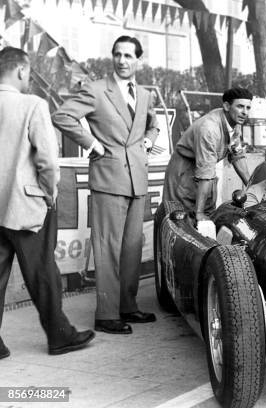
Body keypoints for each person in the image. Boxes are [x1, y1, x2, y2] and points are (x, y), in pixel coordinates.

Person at [52, 36, 159, 335]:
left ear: (138, 60)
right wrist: (92, 144)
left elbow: (152, 124)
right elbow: (62, 115)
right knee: (108, 248)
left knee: (132, 249)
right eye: (117, 54)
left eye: (128, 55)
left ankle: (127, 306)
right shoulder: (97, 89)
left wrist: (149, 141)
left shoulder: (146, 94)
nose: (122, 60)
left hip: (138, 179)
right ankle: (106, 314)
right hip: (108, 178)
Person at [0, 47, 94, 356]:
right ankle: (60, 335)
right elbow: (47, 160)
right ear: (23, 71)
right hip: (26, 205)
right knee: (43, 272)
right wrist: (49, 194)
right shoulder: (32, 105)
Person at [163, 87, 252, 236]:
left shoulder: (235, 124)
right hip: (183, 174)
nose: (245, 112)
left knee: (208, 225)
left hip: (205, 177)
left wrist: (252, 187)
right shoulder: (209, 129)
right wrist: (199, 213)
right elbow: (205, 173)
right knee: (183, 225)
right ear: (226, 106)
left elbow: (237, 156)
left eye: (248, 107)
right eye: (240, 106)